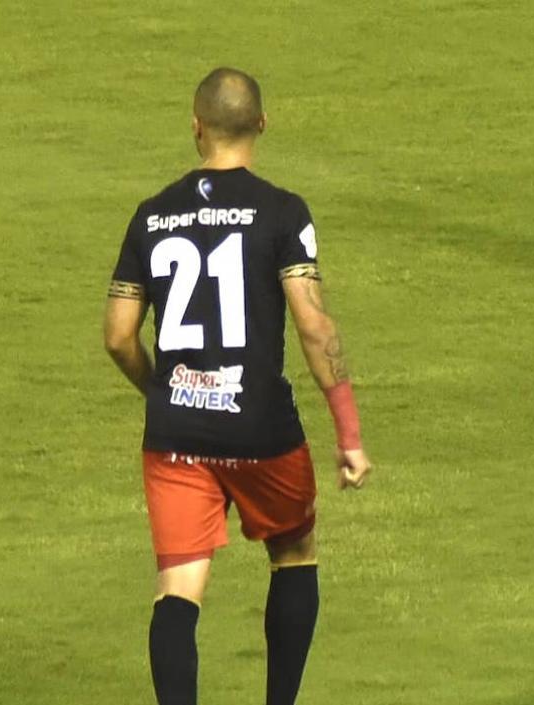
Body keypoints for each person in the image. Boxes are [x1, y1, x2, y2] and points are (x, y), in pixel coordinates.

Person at [104, 67, 372, 705]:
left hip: (175, 433)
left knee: (178, 585)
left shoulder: (152, 216)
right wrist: (350, 433)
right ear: (262, 124)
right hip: (260, 428)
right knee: (295, 551)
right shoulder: (283, 211)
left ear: (195, 126)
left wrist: (164, 392)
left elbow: (118, 335)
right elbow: (312, 326)